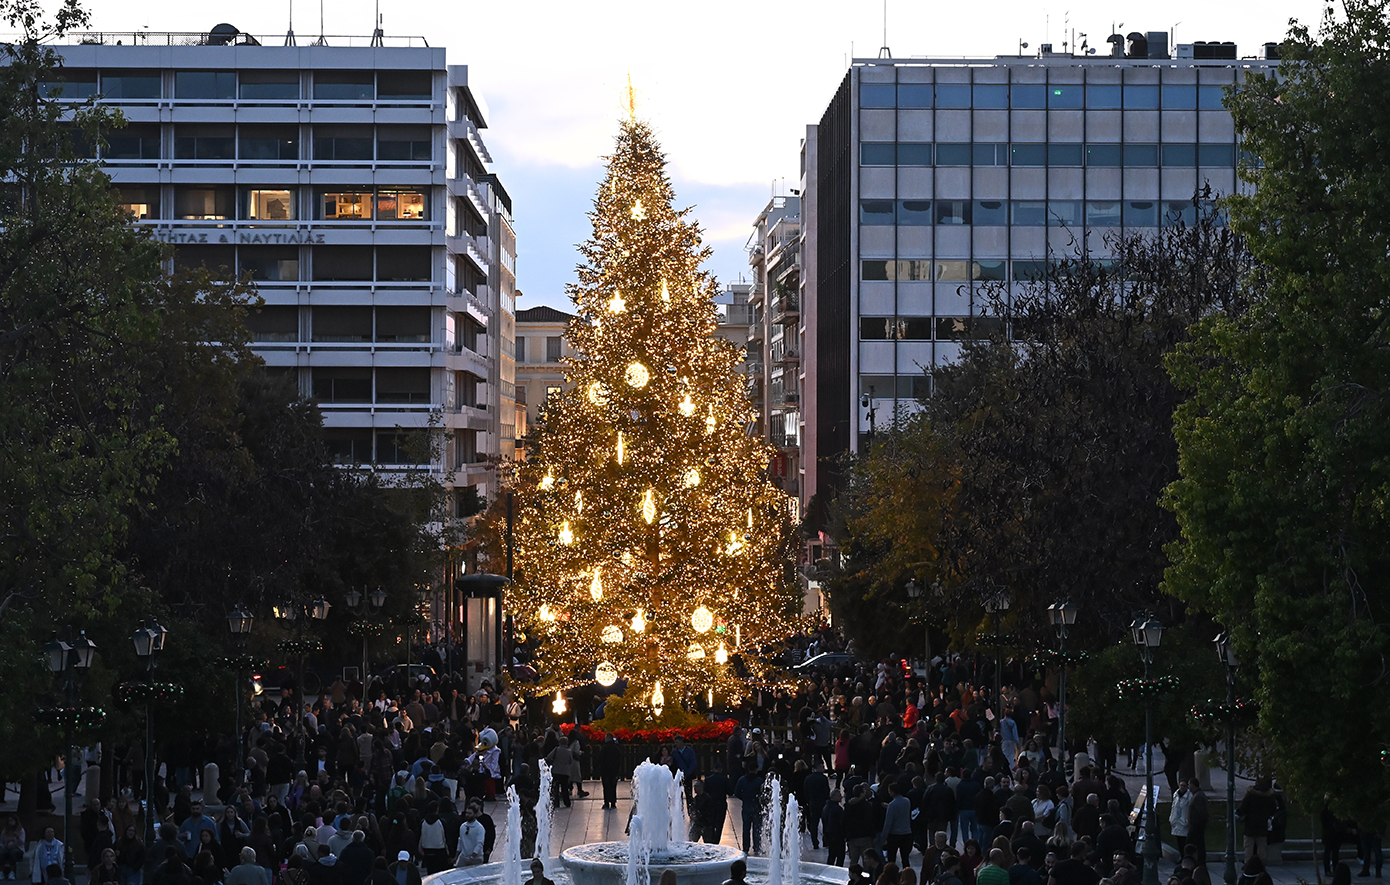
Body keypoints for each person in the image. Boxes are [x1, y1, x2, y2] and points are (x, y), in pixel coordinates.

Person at [1237, 779, 1278, 865]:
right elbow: (1273, 809)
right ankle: (1261, 865)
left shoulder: (1250, 795)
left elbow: (1242, 808)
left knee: (1249, 846)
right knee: (1262, 846)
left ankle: (1248, 864)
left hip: (1250, 824)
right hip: (1262, 824)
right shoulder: (1269, 797)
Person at [882, 782, 914, 870]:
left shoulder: (892, 805)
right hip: (906, 833)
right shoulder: (907, 801)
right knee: (905, 858)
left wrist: (883, 837)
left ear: (892, 792)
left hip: (894, 834)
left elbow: (888, 823)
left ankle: (891, 875)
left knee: (891, 859)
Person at [824, 790, 846, 867]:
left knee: (832, 854)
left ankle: (829, 869)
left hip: (829, 834)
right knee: (840, 854)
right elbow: (842, 822)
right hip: (837, 834)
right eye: (839, 795)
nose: (841, 797)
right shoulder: (837, 809)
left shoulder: (826, 807)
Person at [1169, 781, 1191, 857]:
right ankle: (1182, 856)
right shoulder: (1176, 794)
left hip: (1184, 822)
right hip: (1176, 821)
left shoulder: (1189, 796)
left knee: (1184, 842)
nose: (1182, 787)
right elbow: (1173, 807)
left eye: (1184, 786)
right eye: (1181, 785)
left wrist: (1187, 821)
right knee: (1179, 841)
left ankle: (1185, 856)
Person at [600, 734, 622, 810]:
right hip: (614, 770)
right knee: (613, 786)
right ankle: (613, 803)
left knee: (606, 787)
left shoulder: (604, 748)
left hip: (605, 770)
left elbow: (600, 759)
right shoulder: (616, 748)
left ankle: (606, 803)